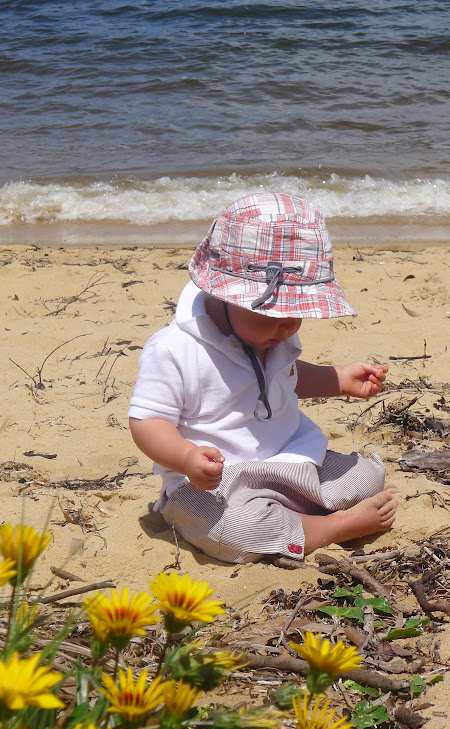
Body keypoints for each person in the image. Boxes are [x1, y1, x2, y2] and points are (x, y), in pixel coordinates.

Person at [128, 193, 396, 564]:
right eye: (275, 313)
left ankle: (295, 519)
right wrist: (186, 457)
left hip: (290, 462)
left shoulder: (272, 336)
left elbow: (286, 378)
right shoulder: (175, 349)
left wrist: (338, 379)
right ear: (225, 295)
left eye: (297, 313)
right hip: (214, 483)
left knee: (365, 477)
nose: (288, 326)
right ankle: (329, 528)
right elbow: (147, 422)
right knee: (233, 529)